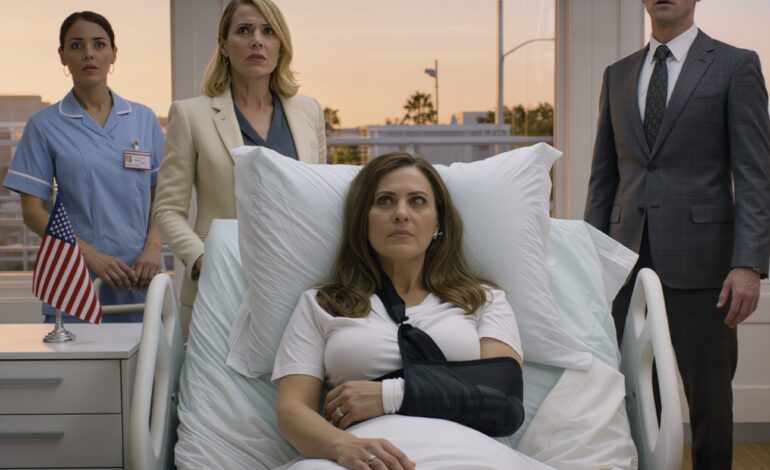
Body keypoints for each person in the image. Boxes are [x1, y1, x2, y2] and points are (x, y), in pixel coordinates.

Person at [273, 153, 551, 470]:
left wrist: (390, 395)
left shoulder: (483, 299)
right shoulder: (322, 303)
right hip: (360, 459)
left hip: (467, 453)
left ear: (438, 223)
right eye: (385, 201)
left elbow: (504, 397)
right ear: (363, 219)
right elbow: (292, 411)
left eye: (417, 201)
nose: (401, 214)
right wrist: (343, 446)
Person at [584, 1, 770, 468]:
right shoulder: (617, 74)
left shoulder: (735, 65)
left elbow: (755, 175)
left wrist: (748, 263)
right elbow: (603, 180)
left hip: (705, 266)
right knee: (632, 395)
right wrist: (588, 263)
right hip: (624, 265)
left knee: (709, 401)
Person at [153, 0, 326, 335]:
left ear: (281, 45)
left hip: (296, 286)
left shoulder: (309, 112)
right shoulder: (190, 115)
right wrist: (204, 260)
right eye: (244, 30)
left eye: (268, 31)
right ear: (223, 44)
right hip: (218, 285)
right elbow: (168, 210)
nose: (256, 40)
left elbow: (319, 203)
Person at [3, 11, 164, 323]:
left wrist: (154, 247)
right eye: (76, 45)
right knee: (78, 353)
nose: (89, 53)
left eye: (99, 44)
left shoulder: (144, 119)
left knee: (145, 355)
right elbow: (32, 212)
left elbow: (164, 195)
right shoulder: (44, 126)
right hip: (76, 277)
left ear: (113, 54)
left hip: (139, 275)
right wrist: (90, 256)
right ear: (62, 56)